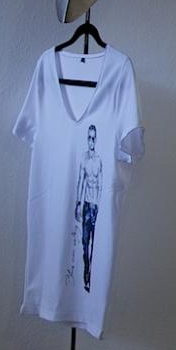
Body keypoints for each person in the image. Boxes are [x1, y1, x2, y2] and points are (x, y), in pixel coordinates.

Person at [74, 124, 102, 291]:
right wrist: (78, 204)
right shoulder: (83, 159)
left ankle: (90, 277)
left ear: (96, 140)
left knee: (94, 244)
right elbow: (80, 181)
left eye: (93, 138)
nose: (91, 141)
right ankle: (86, 273)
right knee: (85, 243)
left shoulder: (99, 160)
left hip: (94, 206)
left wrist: (97, 205)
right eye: (89, 138)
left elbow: (100, 184)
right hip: (85, 206)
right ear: (87, 139)